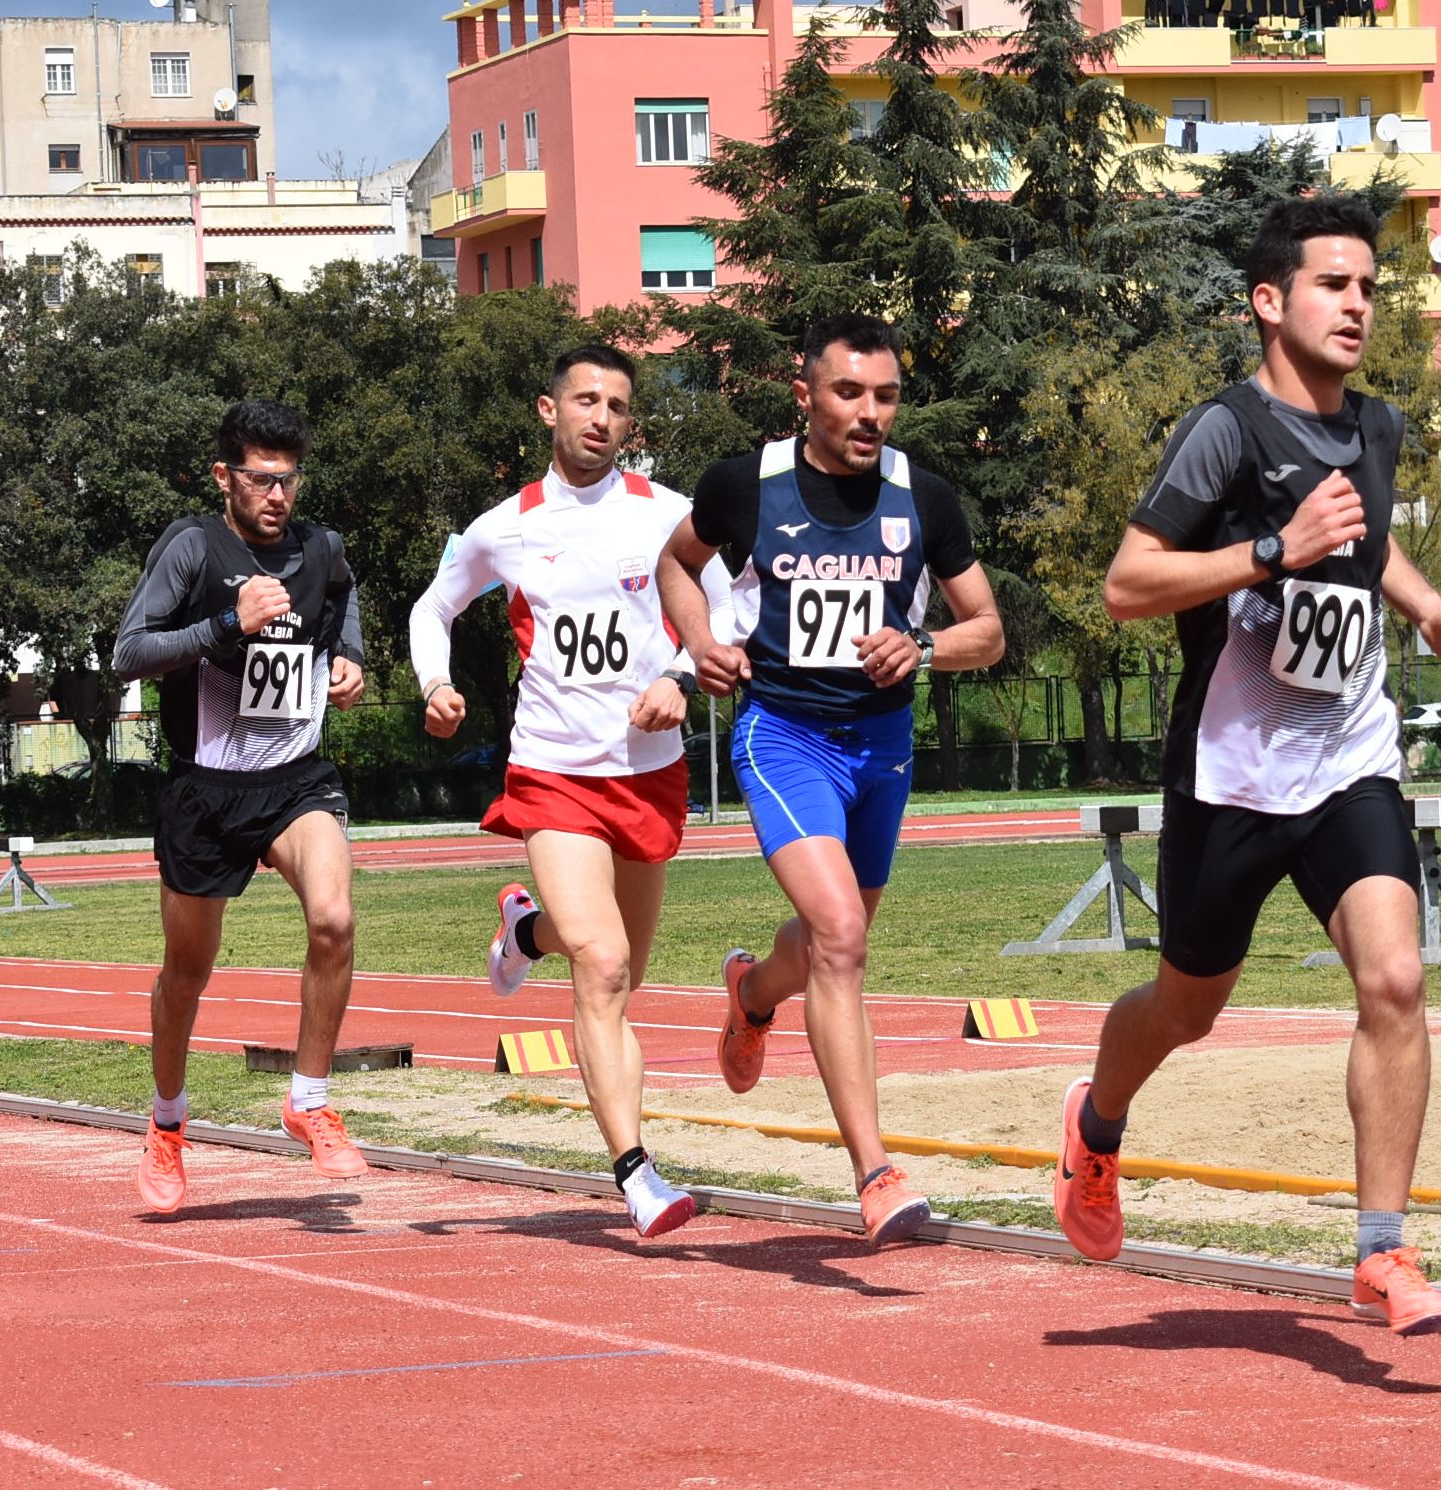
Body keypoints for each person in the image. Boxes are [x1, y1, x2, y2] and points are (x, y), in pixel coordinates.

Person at [1053, 196, 1441, 1335]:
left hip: (1349, 757)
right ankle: (1095, 1124)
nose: (1357, 305)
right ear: (1269, 300)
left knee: (1394, 980)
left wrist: (1430, 607)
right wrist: (1270, 549)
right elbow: (1126, 583)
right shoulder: (1226, 431)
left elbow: (1367, 540)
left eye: (1368, 288)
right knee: (1185, 1006)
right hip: (1232, 773)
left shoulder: (1378, 428)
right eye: (1332, 285)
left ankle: (1382, 1250)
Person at [658, 313, 1005, 1245]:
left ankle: (750, 995)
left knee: (826, 944)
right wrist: (701, 642)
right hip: (784, 738)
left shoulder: (924, 498)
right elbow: (677, 562)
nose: (869, 413)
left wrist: (922, 645)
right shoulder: (745, 485)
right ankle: (875, 1172)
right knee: (842, 936)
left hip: (881, 749)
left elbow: (988, 630)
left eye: (886, 396)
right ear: (805, 393)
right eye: (849, 393)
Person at [410, 344, 732, 1239]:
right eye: (586, 400)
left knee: (620, 970)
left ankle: (525, 932)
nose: (602, 417)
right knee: (605, 963)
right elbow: (433, 607)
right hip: (552, 770)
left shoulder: (670, 515)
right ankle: (637, 1174)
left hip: (647, 771)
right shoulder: (503, 527)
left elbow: (733, 604)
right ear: (549, 410)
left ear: (631, 423)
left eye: (618, 406)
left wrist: (682, 673)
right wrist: (435, 683)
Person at [115, 398, 370, 1213]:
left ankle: (309, 1100)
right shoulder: (194, 547)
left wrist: (350, 660)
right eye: (262, 479)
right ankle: (167, 1122)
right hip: (206, 791)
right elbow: (129, 652)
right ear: (225, 476)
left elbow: (345, 598)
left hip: (295, 780)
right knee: (187, 972)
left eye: (289, 479)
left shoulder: (320, 548)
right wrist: (229, 622)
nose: (278, 495)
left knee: (334, 918)